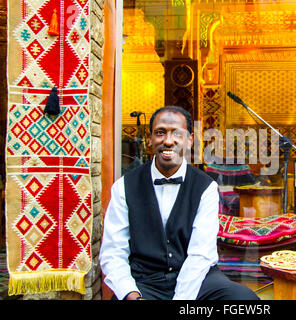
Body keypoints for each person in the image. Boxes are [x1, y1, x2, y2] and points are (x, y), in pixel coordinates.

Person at [99, 106, 259, 300]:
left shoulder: (206, 187)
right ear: (149, 139)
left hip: (199, 280)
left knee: (244, 301)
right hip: (145, 282)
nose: (168, 141)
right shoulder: (124, 186)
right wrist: (132, 295)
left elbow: (200, 255)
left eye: (177, 134)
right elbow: (113, 252)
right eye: (160, 133)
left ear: (190, 140)